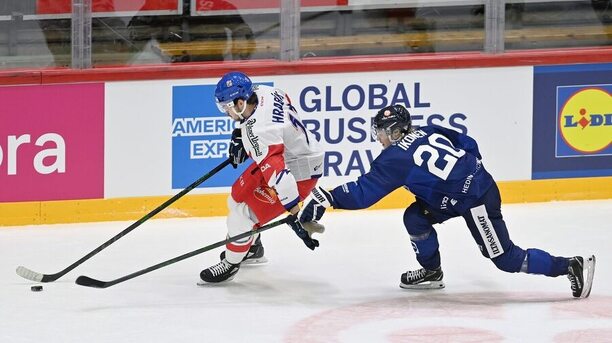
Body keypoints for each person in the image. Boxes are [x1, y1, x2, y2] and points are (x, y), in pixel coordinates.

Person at [298, 104, 596, 298]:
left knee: (505, 259)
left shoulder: (394, 158)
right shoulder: (426, 130)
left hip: (475, 201)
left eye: (379, 131)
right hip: (465, 192)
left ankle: (570, 265)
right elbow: (468, 143)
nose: (377, 137)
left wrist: (327, 197)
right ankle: (432, 271)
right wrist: (466, 175)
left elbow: (364, 192)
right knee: (415, 217)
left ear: (393, 130)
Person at [199, 71, 324, 284]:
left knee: (241, 217)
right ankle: (252, 247)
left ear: (240, 103)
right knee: (237, 197)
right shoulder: (265, 91)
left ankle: (231, 263)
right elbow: (267, 120)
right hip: (289, 157)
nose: (226, 113)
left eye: (227, 107)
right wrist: (238, 136)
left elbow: (280, 178)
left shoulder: (259, 133)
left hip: (298, 174)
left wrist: (295, 214)